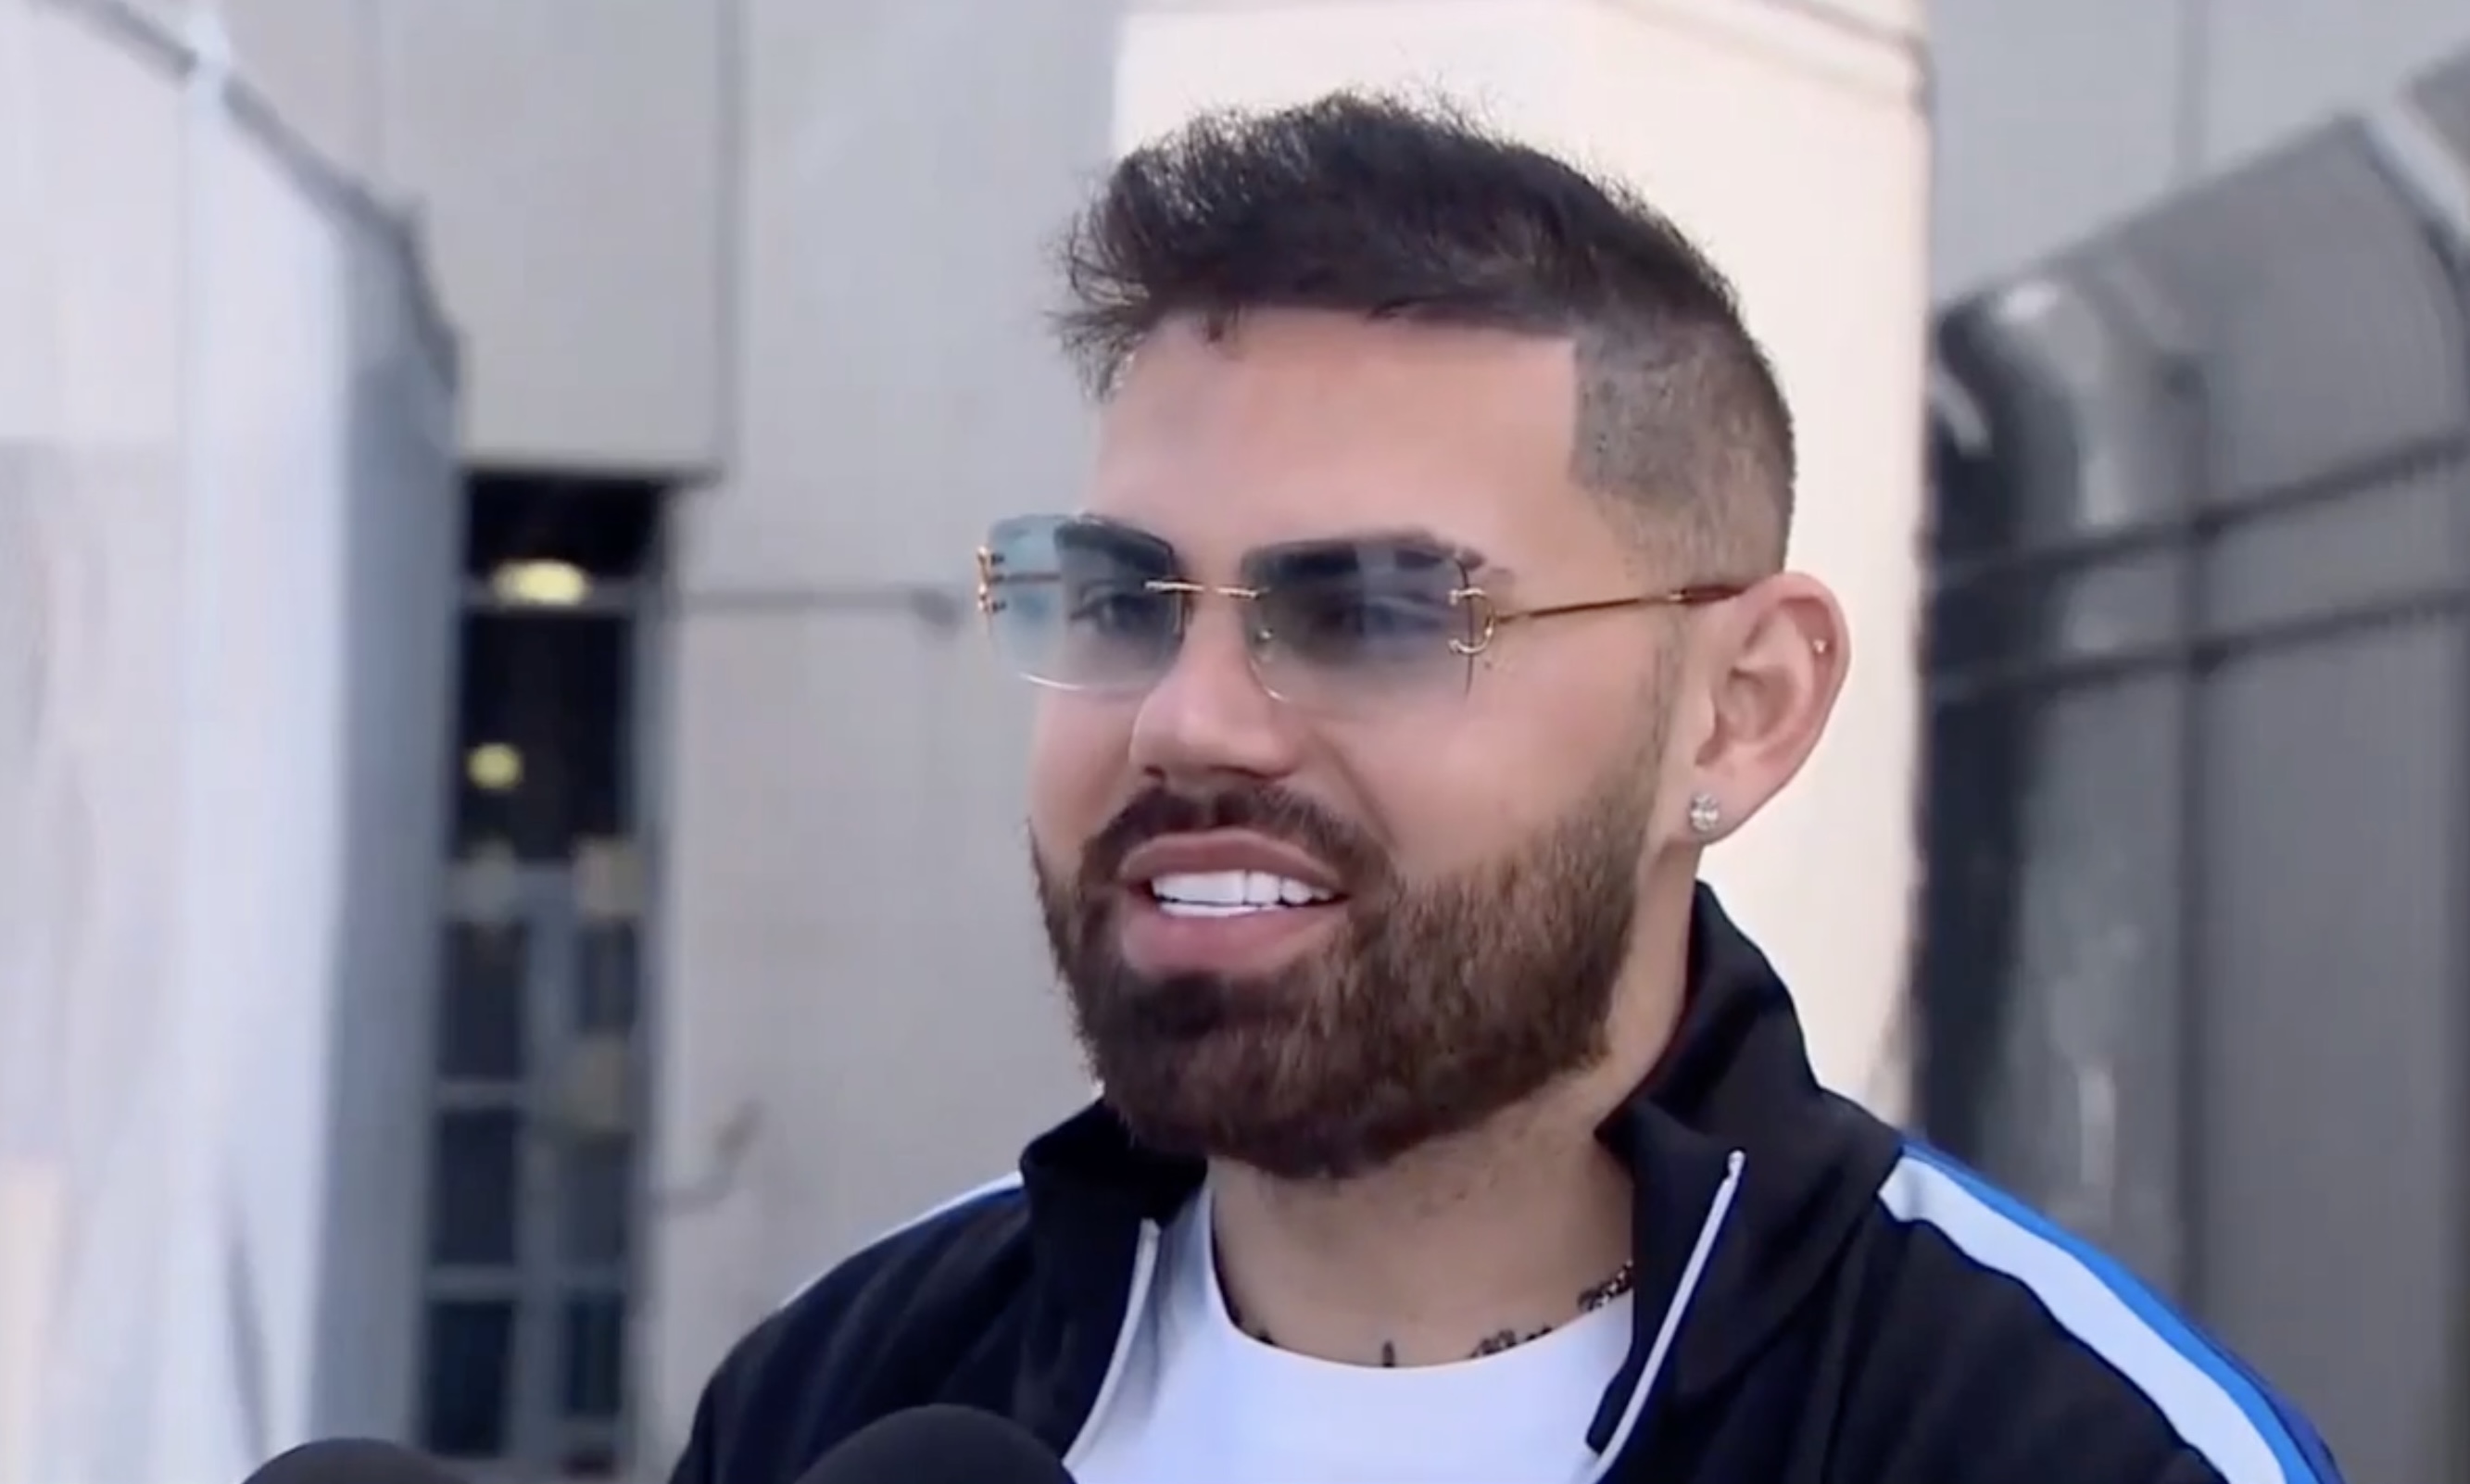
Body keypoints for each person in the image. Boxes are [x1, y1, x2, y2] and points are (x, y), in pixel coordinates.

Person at [667, 94, 2342, 1484]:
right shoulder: (841, 1394)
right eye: (1120, 598)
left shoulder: (2056, 1441)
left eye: (1376, 612)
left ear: (1738, 712)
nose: (1191, 721)